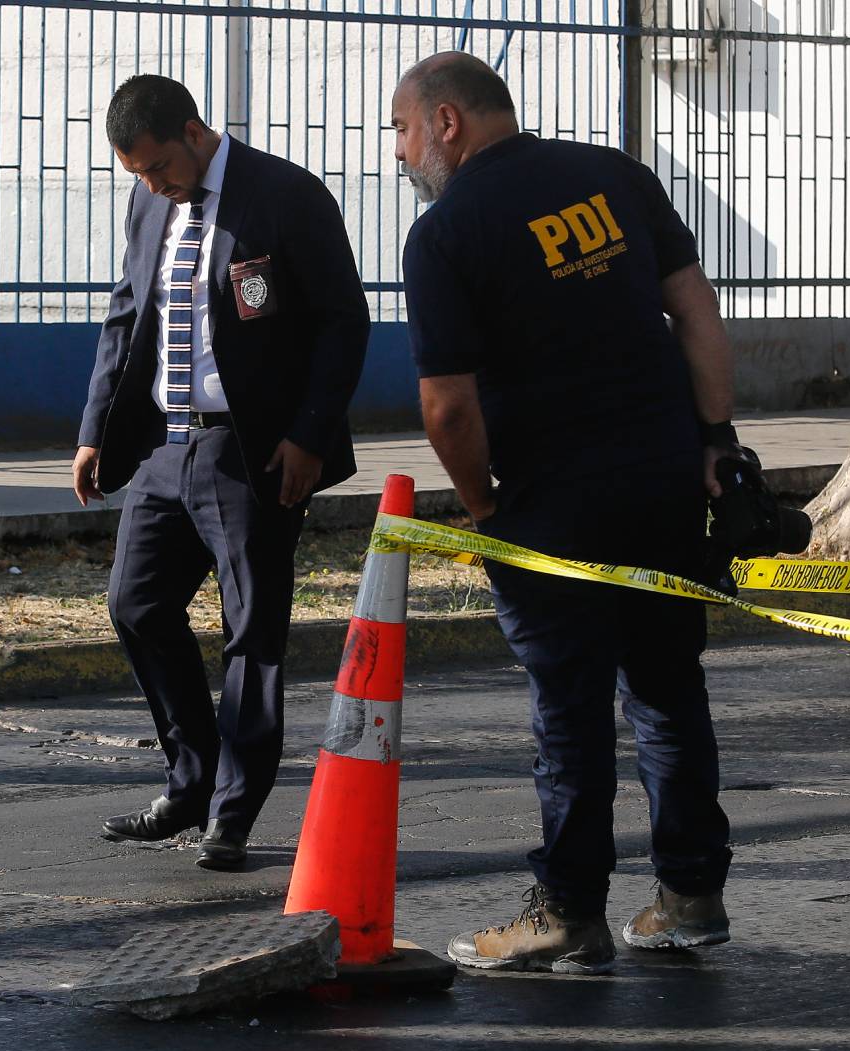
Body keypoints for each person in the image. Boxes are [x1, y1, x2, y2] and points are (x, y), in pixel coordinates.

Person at [393, 53, 738, 973]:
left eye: (402, 128)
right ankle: (692, 895)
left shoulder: (445, 235)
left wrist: (483, 510)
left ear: (448, 122)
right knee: (668, 684)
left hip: (552, 506)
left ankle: (568, 914)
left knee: (571, 709)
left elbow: (447, 408)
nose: (400, 151)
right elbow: (696, 314)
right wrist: (716, 440)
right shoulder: (615, 176)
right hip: (665, 477)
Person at [73, 75, 371, 871]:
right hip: (166, 448)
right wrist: (96, 431)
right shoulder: (149, 206)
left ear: (195, 131)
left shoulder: (284, 196)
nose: (153, 184)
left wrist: (309, 437)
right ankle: (190, 779)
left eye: (160, 166)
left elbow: (344, 323)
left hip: (254, 452)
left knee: (252, 630)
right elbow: (125, 315)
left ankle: (232, 813)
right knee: (135, 605)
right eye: (137, 173)